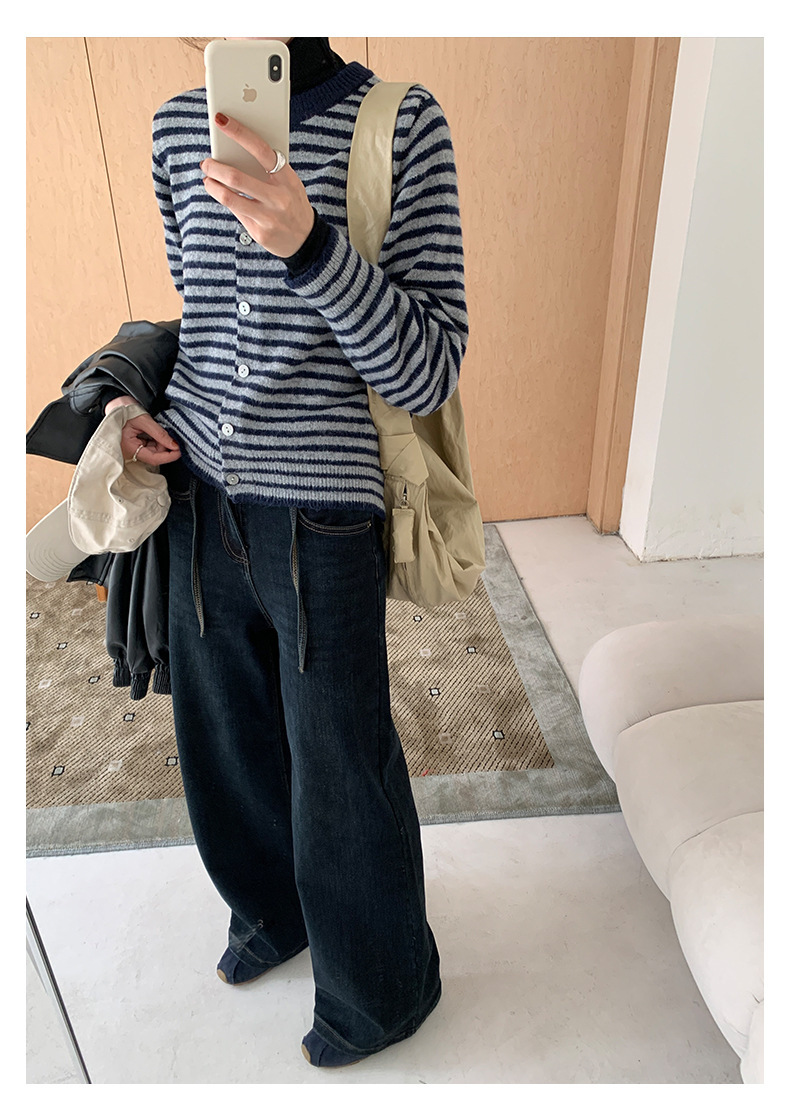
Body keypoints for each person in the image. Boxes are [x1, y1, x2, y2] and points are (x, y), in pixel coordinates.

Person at [107, 35, 469, 1069]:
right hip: (195, 490)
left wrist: (311, 245)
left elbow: (427, 366)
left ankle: (382, 987)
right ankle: (273, 910)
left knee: (340, 760)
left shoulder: (400, 124)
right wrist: (138, 408)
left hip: (322, 512)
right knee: (221, 742)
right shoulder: (177, 127)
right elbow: (204, 323)